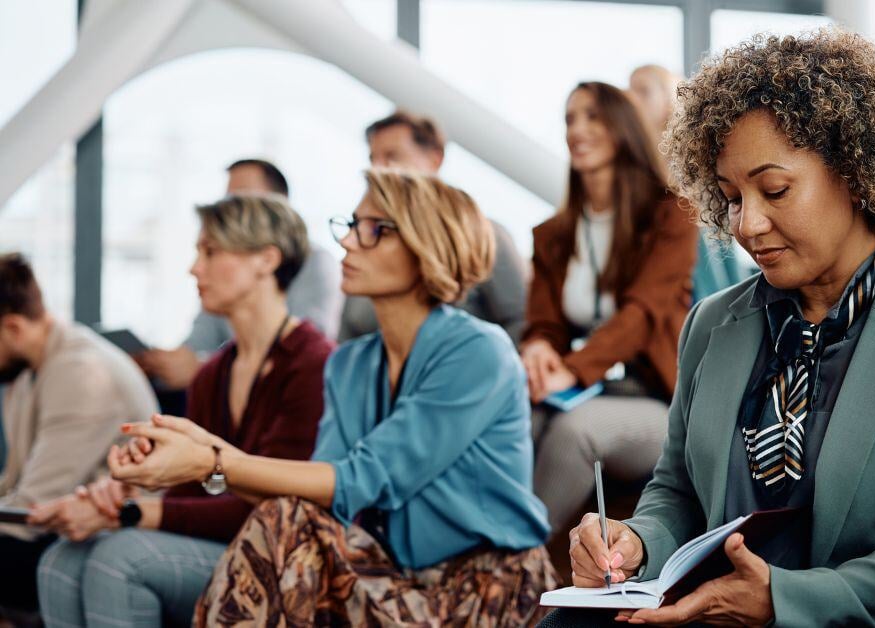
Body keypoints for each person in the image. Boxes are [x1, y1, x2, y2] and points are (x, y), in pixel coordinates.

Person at [545, 30, 875, 627]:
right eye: (731, 197)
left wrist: (790, 599)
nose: (748, 225)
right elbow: (677, 491)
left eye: (775, 190)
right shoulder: (713, 323)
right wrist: (636, 543)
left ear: (857, 171)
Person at [109, 169, 558, 626]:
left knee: (282, 521)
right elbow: (320, 494)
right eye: (352, 225)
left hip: (485, 587)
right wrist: (200, 449)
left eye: (375, 230)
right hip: (394, 578)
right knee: (286, 515)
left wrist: (211, 460)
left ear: (429, 244)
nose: (348, 243)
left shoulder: (479, 351)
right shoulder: (351, 364)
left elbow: (363, 479)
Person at [32, 194, 331, 628]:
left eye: (210, 251)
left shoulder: (313, 363)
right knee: (60, 560)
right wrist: (127, 495)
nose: (195, 268)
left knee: (120, 559)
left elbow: (277, 507)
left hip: (285, 556)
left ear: (266, 260)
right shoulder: (214, 373)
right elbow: (199, 493)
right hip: (226, 544)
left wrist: (132, 514)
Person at [523, 81, 697, 534]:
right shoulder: (552, 234)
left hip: (659, 399)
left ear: (622, 127)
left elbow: (641, 315)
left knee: (575, 432)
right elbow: (544, 321)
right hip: (592, 386)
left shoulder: (672, 217)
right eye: (569, 119)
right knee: (518, 414)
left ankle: (512, 562)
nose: (576, 129)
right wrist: (539, 348)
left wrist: (575, 368)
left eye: (592, 116)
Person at [0, 254, 157, 618]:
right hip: (63, 526)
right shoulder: (29, 374)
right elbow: (15, 484)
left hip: (109, 531)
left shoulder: (81, 374)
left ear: (13, 328)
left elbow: (32, 507)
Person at [141, 159, 341, 391]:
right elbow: (198, 342)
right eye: (228, 199)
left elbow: (306, 340)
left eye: (244, 198)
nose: (230, 209)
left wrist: (200, 367)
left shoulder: (317, 263)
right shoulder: (220, 294)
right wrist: (161, 363)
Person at [338, 110, 527, 345]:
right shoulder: (363, 250)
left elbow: (521, 320)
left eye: (392, 156)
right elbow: (345, 340)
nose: (379, 168)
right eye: (373, 159)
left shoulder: (484, 236)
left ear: (435, 159)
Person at [627, 64, 750, 302]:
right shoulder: (632, 169)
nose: (632, 99)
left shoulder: (694, 160)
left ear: (668, 97)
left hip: (702, 284)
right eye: (630, 90)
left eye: (643, 90)